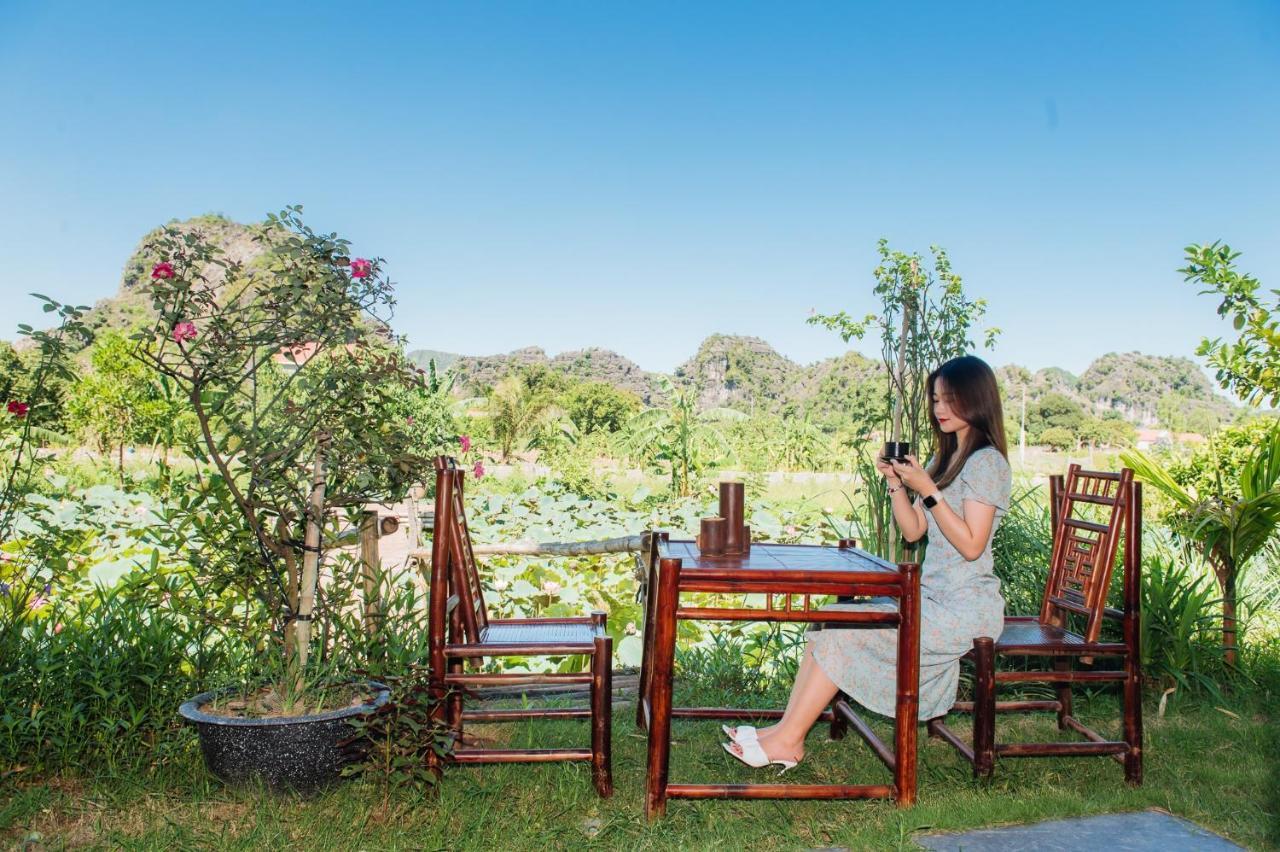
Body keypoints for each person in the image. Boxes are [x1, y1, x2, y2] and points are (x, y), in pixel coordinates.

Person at [724, 354, 1012, 770]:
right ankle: (784, 728)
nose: (940, 410)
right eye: (935, 400)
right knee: (831, 618)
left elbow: (971, 544)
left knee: (845, 634)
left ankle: (789, 742)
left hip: (966, 609)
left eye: (950, 400)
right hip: (932, 598)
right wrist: (898, 484)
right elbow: (913, 531)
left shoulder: (987, 462)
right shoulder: (945, 459)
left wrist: (929, 489)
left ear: (976, 400)